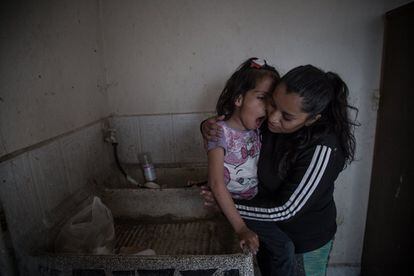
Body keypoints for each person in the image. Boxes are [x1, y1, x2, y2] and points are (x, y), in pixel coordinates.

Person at [201, 64, 358, 276]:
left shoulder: (324, 148)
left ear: (312, 119)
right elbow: (235, 128)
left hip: (305, 241)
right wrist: (208, 127)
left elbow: (286, 209)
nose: (273, 118)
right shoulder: (269, 123)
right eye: (272, 104)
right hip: (268, 230)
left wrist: (225, 204)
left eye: (287, 116)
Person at [205, 57, 298, 276]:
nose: (268, 109)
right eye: (262, 98)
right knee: (283, 247)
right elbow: (217, 183)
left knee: (270, 252)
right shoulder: (219, 132)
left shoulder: (257, 128)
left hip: (256, 204)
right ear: (238, 98)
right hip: (235, 208)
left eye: (271, 102)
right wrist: (241, 228)